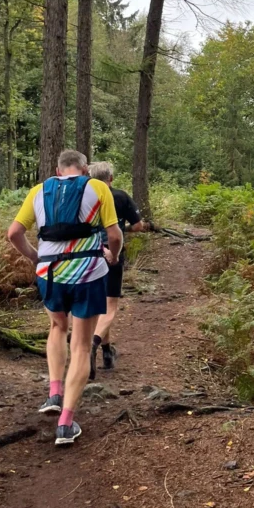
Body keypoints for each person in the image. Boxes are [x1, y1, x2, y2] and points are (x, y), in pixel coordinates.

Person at [7, 149, 123, 447]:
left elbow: (14, 233)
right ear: (85, 169)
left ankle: (54, 393)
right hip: (88, 273)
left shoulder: (38, 190)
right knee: (82, 346)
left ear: (58, 171)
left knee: (57, 327)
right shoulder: (98, 187)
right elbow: (115, 235)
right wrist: (113, 257)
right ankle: (65, 424)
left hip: (51, 273)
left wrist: (36, 257)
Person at [87, 161, 150, 380]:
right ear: (110, 178)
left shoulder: (85, 197)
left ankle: (106, 352)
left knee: (97, 305)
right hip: (111, 254)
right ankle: (93, 344)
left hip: (86, 255)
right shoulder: (121, 197)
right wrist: (122, 229)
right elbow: (139, 225)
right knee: (110, 306)